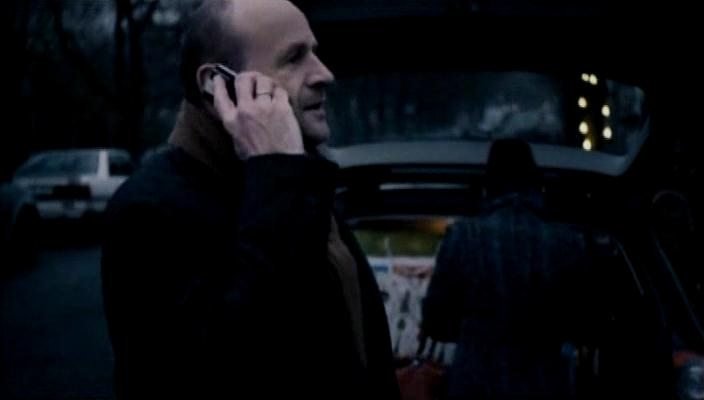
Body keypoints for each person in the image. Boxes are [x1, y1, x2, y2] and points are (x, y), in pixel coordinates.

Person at [100, 0, 399, 398]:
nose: (324, 74)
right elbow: (232, 363)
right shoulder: (147, 213)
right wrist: (277, 171)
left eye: (315, 52)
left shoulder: (299, 180)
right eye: (294, 58)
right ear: (217, 84)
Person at [421, 138, 671, 399]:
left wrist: (477, 332)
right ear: (536, 185)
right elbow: (589, 322)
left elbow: (435, 322)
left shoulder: (463, 237)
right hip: (547, 384)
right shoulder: (569, 243)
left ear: (489, 185)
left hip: (477, 384)